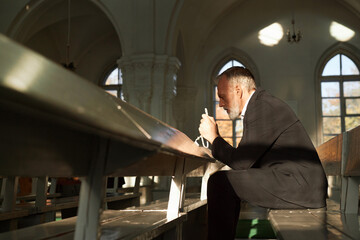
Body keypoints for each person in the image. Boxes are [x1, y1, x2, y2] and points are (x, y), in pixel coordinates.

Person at [198, 66, 327, 240]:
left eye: (222, 96)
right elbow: (245, 160)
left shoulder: (263, 107)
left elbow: (241, 162)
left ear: (237, 90)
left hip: (301, 187)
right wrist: (217, 140)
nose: (220, 104)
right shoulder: (260, 105)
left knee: (220, 182)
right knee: (224, 181)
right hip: (297, 183)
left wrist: (214, 138)